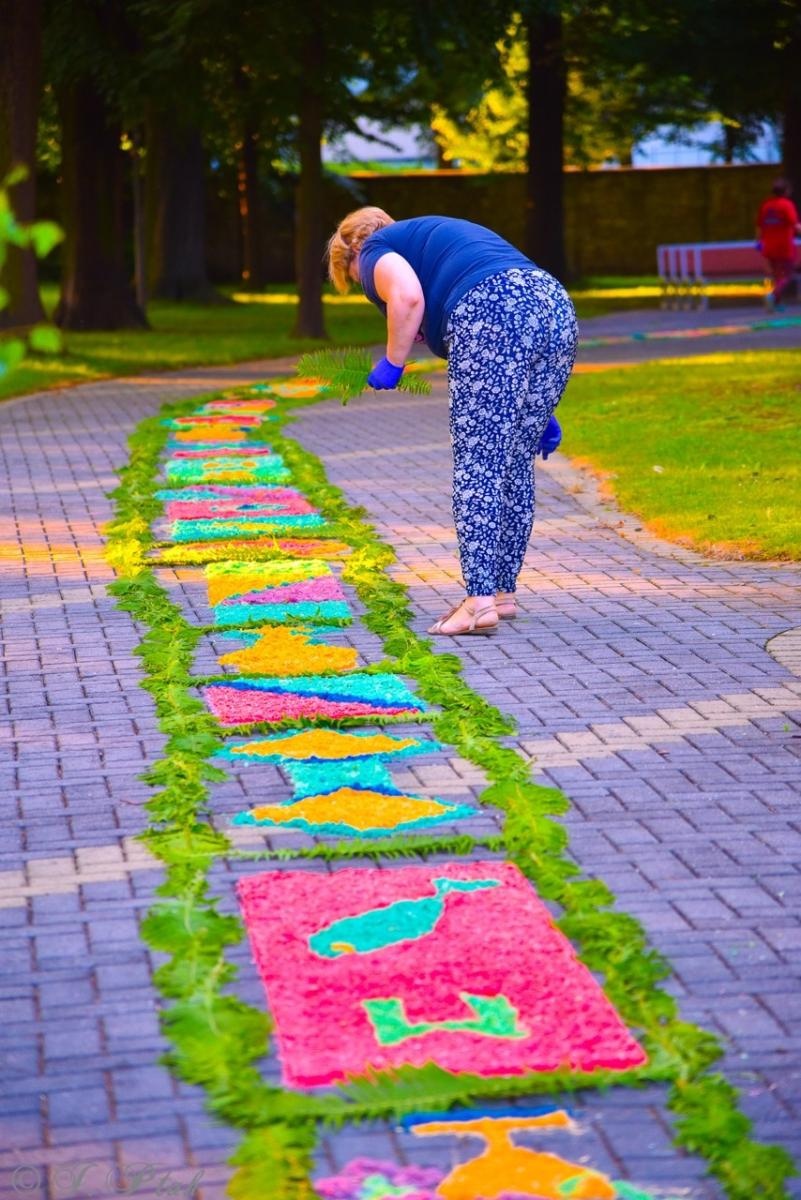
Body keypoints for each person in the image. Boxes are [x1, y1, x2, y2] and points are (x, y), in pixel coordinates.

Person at [326, 208, 577, 638]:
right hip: (553, 304)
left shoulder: (371, 253)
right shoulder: (431, 240)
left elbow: (406, 297)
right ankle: (501, 593)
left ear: (350, 255)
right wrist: (539, 409)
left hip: (492, 310)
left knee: (479, 464)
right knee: (515, 463)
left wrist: (392, 362)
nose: (369, 290)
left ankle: (478, 604)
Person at [756, 178, 801, 311]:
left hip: (768, 246)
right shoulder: (786, 205)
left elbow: (759, 226)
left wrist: (759, 244)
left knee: (777, 276)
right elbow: (795, 224)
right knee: (787, 274)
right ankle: (772, 296)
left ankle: (776, 304)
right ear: (786, 191)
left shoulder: (766, 205)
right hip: (783, 246)